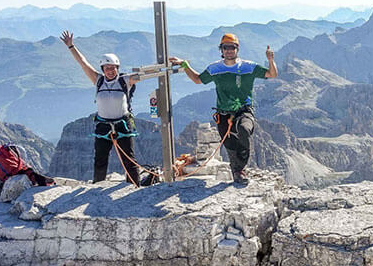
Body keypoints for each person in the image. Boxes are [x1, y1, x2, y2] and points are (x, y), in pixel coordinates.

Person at [61, 30, 180, 185]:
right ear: (103, 69)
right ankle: (98, 186)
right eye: (107, 68)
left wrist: (170, 67)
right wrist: (71, 47)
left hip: (122, 125)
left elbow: (145, 74)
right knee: (100, 159)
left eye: (113, 67)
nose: (111, 71)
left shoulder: (125, 81)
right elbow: (83, 63)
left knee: (129, 160)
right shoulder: (98, 80)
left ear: (118, 67)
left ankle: (133, 187)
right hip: (103, 126)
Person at [177, 33, 277, 185]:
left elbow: (272, 74)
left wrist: (270, 60)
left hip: (244, 110)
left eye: (232, 47)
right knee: (230, 145)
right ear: (221, 50)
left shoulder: (248, 67)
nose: (229, 50)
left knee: (244, 130)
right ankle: (236, 171)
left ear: (237, 49)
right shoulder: (215, 68)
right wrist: (185, 65)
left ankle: (241, 169)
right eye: (226, 47)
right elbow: (198, 79)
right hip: (223, 113)